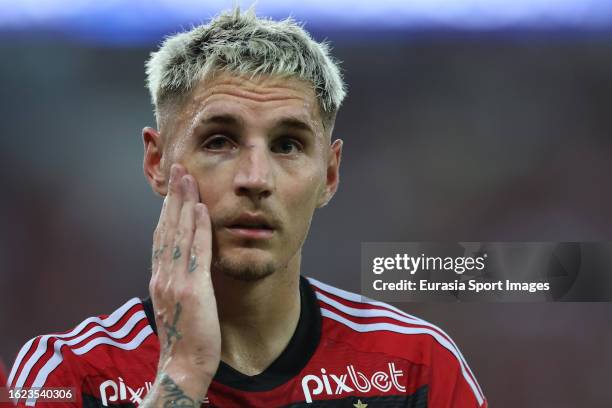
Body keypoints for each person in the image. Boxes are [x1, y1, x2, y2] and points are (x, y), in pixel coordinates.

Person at [7, 7, 487, 407]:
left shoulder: (415, 368)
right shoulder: (66, 373)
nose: (255, 179)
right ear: (156, 162)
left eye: (288, 145)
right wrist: (183, 375)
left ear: (331, 174)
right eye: (220, 141)